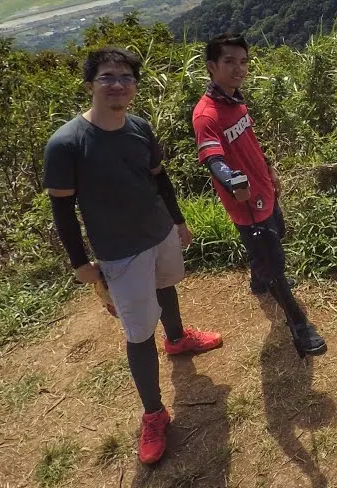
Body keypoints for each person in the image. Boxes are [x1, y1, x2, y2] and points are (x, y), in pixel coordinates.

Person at [43, 47, 222, 466]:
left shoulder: (139, 127)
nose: (117, 85)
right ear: (90, 84)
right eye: (107, 77)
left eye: (125, 78)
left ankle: (177, 339)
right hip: (118, 251)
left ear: (135, 86)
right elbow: (63, 210)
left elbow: (161, 180)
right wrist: (79, 263)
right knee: (138, 332)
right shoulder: (67, 144)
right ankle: (154, 414)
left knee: (167, 286)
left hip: (159, 231)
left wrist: (178, 221)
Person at [191, 32, 327, 358]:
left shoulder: (234, 100)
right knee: (274, 261)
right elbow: (212, 158)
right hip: (246, 202)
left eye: (243, 61)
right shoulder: (207, 113)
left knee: (275, 235)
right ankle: (299, 325)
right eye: (229, 62)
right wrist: (231, 180)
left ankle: (258, 280)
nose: (238, 68)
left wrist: (269, 171)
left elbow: (248, 143)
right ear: (211, 66)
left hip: (264, 189)